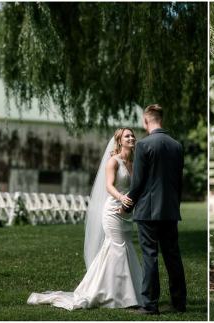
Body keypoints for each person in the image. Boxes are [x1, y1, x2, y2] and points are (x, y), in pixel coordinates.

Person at [27, 128, 143, 310]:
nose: (131, 138)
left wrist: (130, 203)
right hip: (112, 211)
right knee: (117, 247)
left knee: (122, 247)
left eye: (132, 135)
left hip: (127, 212)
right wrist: (121, 198)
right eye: (127, 136)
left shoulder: (134, 163)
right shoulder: (113, 161)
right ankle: (119, 296)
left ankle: (121, 292)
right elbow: (109, 186)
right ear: (119, 141)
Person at [125, 104, 186, 315]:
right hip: (169, 210)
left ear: (146, 121)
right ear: (162, 119)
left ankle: (150, 304)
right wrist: (174, 206)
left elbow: (138, 182)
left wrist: (128, 204)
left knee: (150, 256)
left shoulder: (143, 145)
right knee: (172, 256)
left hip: (148, 211)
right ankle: (179, 303)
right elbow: (178, 183)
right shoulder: (177, 145)